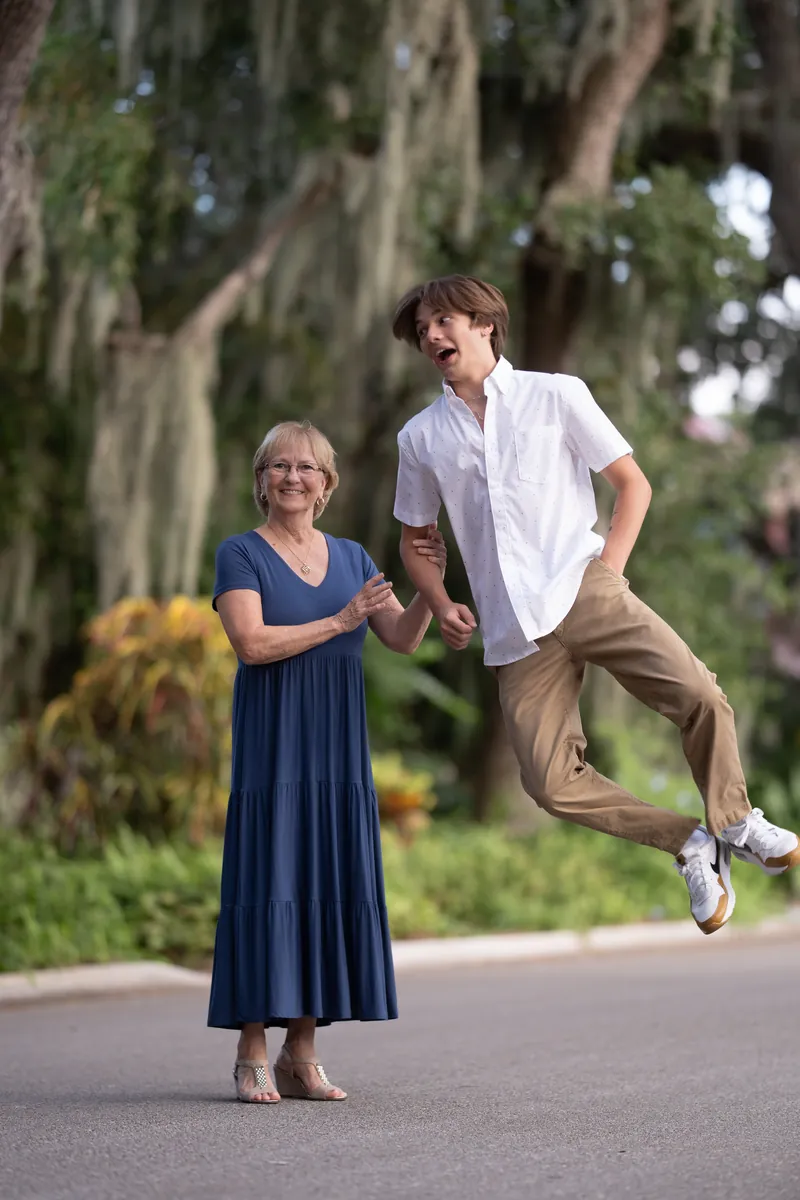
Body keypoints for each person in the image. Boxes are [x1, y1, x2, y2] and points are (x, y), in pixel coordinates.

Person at [390, 273, 800, 937]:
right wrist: (439, 600)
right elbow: (415, 540)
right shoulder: (420, 438)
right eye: (422, 329)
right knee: (550, 784)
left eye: (444, 321)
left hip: (580, 583)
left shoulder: (555, 395)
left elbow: (631, 485)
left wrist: (607, 573)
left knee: (698, 692)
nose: (432, 335)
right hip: (509, 626)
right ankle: (691, 843)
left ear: (485, 322)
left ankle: (734, 818)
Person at [208, 419, 446, 1103]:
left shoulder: (351, 557)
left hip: (337, 749)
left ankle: (301, 1052)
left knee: (323, 878)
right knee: (268, 879)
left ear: (327, 484)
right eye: (278, 466)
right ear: (262, 480)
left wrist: (428, 587)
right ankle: (252, 1046)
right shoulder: (241, 554)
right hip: (273, 745)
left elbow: (400, 637)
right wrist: (339, 623)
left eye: (306, 467)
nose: (292, 477)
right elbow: (251, 643)